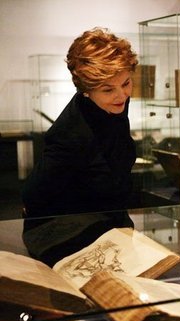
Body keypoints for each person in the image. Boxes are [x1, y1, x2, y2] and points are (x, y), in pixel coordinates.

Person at [22, 27, 138, 218]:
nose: (122, 95)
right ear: (85, 90)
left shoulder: (113, 105)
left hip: (111, 220)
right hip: (75, 229)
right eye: (108, 90)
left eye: (126, 83)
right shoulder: (71, 132)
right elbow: (33, 195)